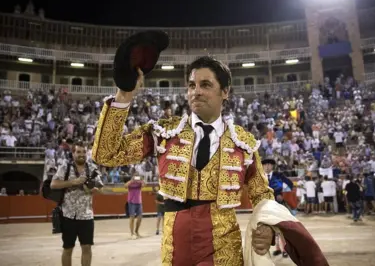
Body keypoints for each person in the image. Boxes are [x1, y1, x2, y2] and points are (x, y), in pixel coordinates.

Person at [92, 56, 327, 265]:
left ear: (225, 91)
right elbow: (106, 153)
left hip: (223, 248)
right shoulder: (163, 132)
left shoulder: (242, 142)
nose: (196, 91)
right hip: (175, 247)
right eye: (192, 85)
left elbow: (262, 195)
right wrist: (124, 95)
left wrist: (267, 228)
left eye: (206, 85)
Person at [50, 141, 103, 266]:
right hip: (68, 215)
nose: (82, 154)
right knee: (68, 248)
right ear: (73, 153)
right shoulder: (65, 167)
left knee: (87, 248)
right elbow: (53, 184)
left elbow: (101, 188)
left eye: (84, 152)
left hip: (86, 215)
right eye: (78, 152)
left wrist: (93, 190)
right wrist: (73, 182)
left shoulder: (92, 168)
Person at [262, 156, 294, 258]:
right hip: (266, 205)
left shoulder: (278, 175)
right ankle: (277, 248)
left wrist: (282, 193)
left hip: (278, 205)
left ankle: (285, 249)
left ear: (272, 166)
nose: (267, 167)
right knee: (271, 229)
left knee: (281, 228)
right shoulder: (260, 176)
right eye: (265, 165)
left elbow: (290, 184)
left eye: (269, 165)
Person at [125, 174, 144, 239]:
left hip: (139, 201)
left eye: (137, 176)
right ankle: (132, 233)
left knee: (140, 218)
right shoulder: (130, 182)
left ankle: (136, 231)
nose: (136, 178)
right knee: (132, 218)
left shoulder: (140, 182)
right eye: (135, 176)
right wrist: (131, 180)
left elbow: (145, 184)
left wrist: (141, 179)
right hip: (131, 202)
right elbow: (125, 186)